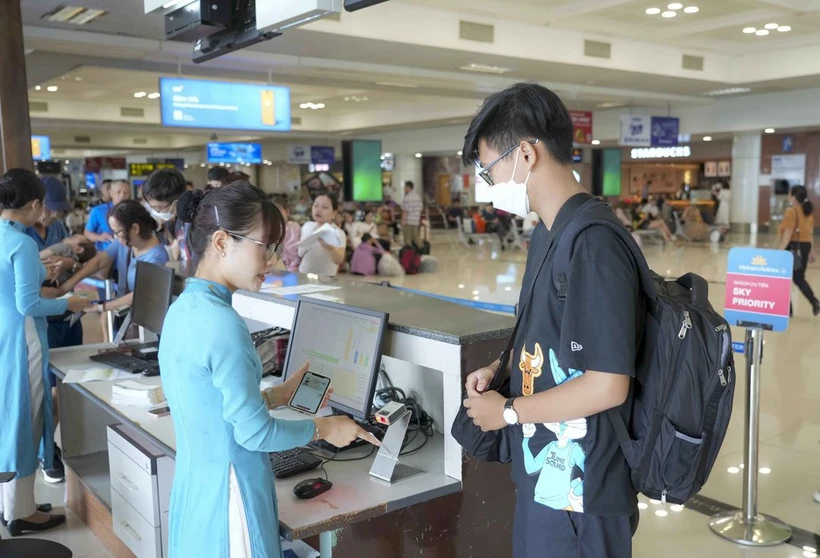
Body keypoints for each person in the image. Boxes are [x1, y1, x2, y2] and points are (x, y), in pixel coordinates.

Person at [460, 83, 640, 558]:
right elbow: (553, 330)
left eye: (488, 168)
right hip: (547, 476)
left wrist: (509, 413)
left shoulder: (594, 244)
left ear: (525, 154)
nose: (487, 182)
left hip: (584, 489)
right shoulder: (549, 233)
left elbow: (608, 385)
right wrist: (504, 366)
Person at [159, 183, 374, 557]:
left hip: (197, 493)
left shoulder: (184, 308)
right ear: (223, 242)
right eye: (266, 247)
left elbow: (213, 406)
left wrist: (277, 395)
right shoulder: (223, 322)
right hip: (232, 499)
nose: (273, 261)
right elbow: (254, 434)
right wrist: (325, 427)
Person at [0, 169, 87, 535]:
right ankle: (20, 513)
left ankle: (15, 504)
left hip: (5, 336)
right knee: (27, 420)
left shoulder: (6, 237)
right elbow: (29, 304)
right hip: (24, 340)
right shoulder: (22, 244)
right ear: (36, 204)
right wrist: (71, 301)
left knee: (10, 420)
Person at [25, 177, 87, 483]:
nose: (51, 215)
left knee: (64, 386)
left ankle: (54, 447)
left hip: (65, 314)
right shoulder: (18, 236)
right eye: (47, 208)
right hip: (40, 317)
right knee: (41, 391)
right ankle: (44, 453)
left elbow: (72, 261)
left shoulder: (57, 227)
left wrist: (64, 263)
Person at [56, 201, 169, 340]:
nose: (116, 238)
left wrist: (99, 307)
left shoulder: (157, 256)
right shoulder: (126, 243)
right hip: (125, 315)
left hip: (146, 325)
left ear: (135, 228)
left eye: (118, 232)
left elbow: (139, 295)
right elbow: (98, 262)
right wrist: (68, 284)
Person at [778, 185, 819, 316]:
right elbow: (810, 233)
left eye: (790, 193)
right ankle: (814, 301)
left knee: (783, 279)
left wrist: (778, 252)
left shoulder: (791, 211)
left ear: (794, 196)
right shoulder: (808, 211)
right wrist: (811, 251)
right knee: (799, 278)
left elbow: (787, 234)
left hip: (793, 248)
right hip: (804, 248)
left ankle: (787, 310)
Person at [142, 169, 190, 264]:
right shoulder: (177, 222)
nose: (156, 212)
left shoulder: (193, 225)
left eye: (158, 208)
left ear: (176, 203)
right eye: (152, 207)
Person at [298, 193, 346, 276]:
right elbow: (300, 253)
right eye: (316, 205)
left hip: (326, 279)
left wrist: (330, 248)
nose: (318, 210)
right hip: (303, 275)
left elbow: (339, 260)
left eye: (324, 207)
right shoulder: (307, 226)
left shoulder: (338, 233)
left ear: (334, 213)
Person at [85, 179, 130, 250]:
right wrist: (99, 237)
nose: (122, 195)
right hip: (105, 253)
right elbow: (87, 233)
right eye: (118, 192)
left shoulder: (132, 211)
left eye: (126, 192)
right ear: (111, 193)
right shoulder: (98, 210)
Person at [272, 198, 302, 273]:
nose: (276, 215)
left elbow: (295, 250)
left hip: (295, 265)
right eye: (273, 213)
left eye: (279, 211)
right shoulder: (270, 230)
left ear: (287, 212)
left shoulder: (295, 227)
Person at [401, 180, 423, 247]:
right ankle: (423, 250)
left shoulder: (407, 198)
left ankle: (409, 254)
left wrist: (403, 221)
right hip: (416, 221)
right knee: (415, 237)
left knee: (407, 239)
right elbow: (421, 209)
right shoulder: (418, 197)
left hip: (408, 221)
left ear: (408, 187)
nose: (404, 188)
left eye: (405, 187)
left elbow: (405, 210)